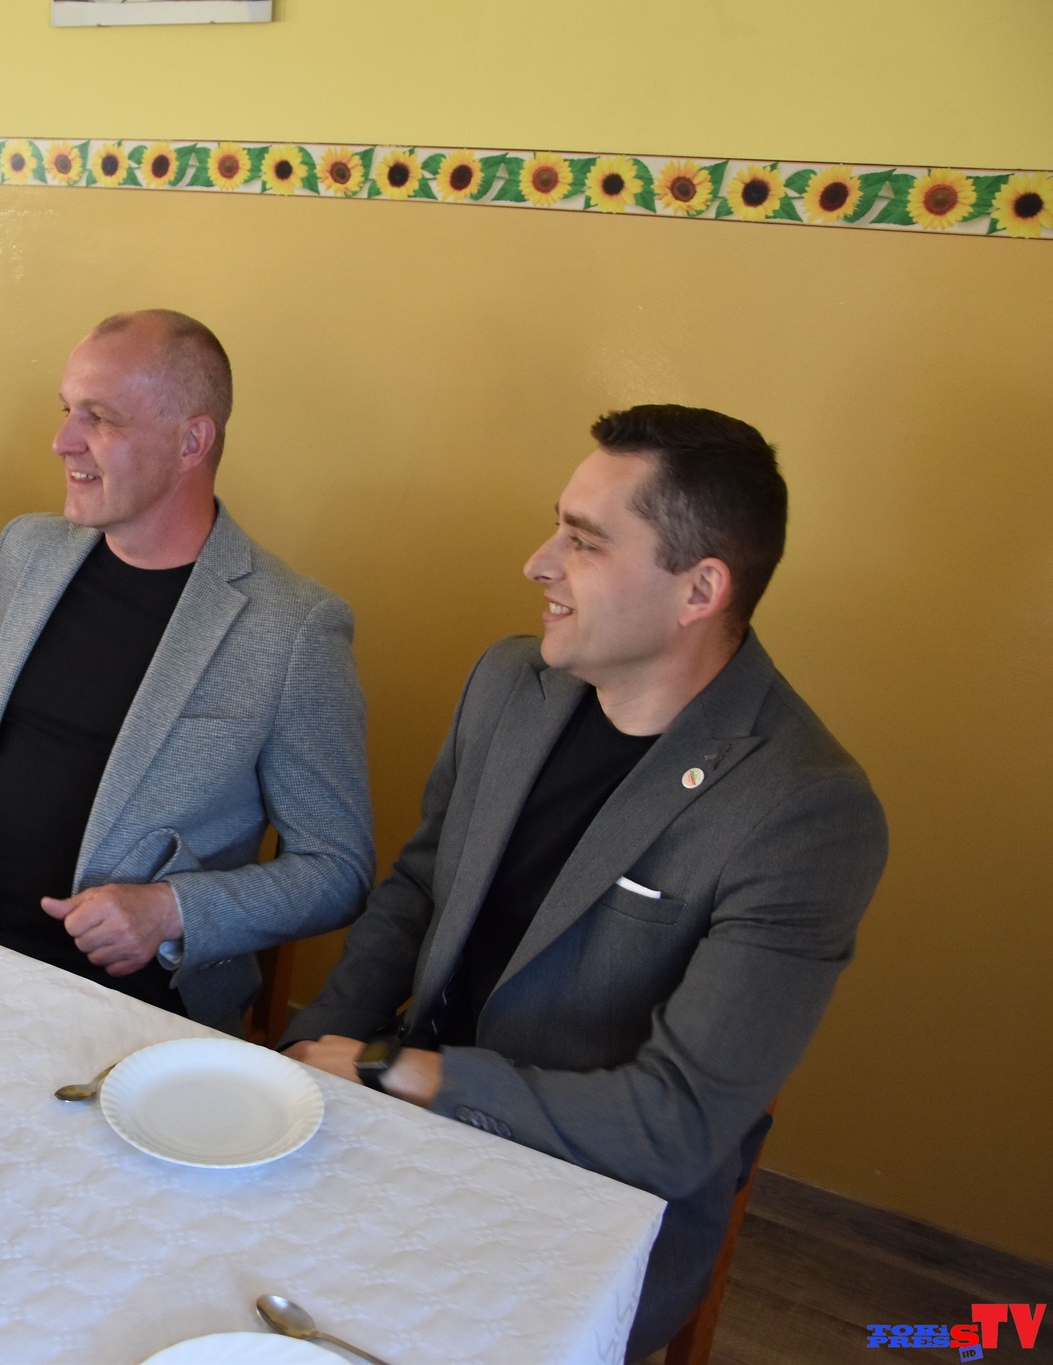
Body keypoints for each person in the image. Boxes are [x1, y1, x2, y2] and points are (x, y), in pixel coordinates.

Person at [280, 405, 889, 1358]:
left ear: (700, 589)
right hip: (400, 1110)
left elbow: (677, 1124)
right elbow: (419, 889)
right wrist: (304, 1050)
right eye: (556, 527)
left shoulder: (805, 812)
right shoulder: (508, 681)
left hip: (591, 1199)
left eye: (584, 541)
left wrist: (400, 1072)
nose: (538, 563)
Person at [0, 310, 373, 1033]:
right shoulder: (28, 548)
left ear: (191, 442)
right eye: (66, 410)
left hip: (122, 996)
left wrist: (170, 910)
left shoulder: (293, 629)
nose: (62, 441)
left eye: (98, 418)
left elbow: (337, 866)